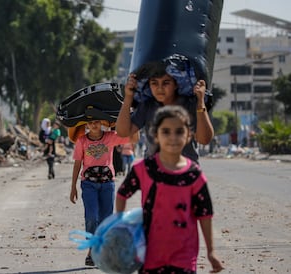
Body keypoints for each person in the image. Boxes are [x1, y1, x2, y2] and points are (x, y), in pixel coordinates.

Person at [116, 105, 224, 274]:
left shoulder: (194, 175)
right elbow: (122, 194)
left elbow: (205, 214)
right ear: (156, 136)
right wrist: (120, 227)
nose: (173, 137)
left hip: (185, 256)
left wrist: (211, 252)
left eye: (179, 131)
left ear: (189, 135)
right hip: (149, 254)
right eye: (166, 131)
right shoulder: (144, 169)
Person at [116, 61, 214, 163]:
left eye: (166, 83)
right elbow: (123, 132)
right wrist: (128, 98)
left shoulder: (190, 105)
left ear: (176, 84)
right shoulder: (147, 106)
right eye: (154, 83)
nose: (160, 88)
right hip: (154, 171)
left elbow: (204, 139)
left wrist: (200, 102)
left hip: (185, 171)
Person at [69, 120, 137, 267]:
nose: (94, 125)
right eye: (90, 122)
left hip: (107, 184)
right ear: (86, 125)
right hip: (88, 185)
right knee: (92, 217)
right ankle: (91, 250)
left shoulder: (111, 136)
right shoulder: (82, 141)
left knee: (106, 219)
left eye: (97, 122)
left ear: (102, 123)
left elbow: (134, 138)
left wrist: (133, 119)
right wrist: (73, 186)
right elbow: (77, 164)